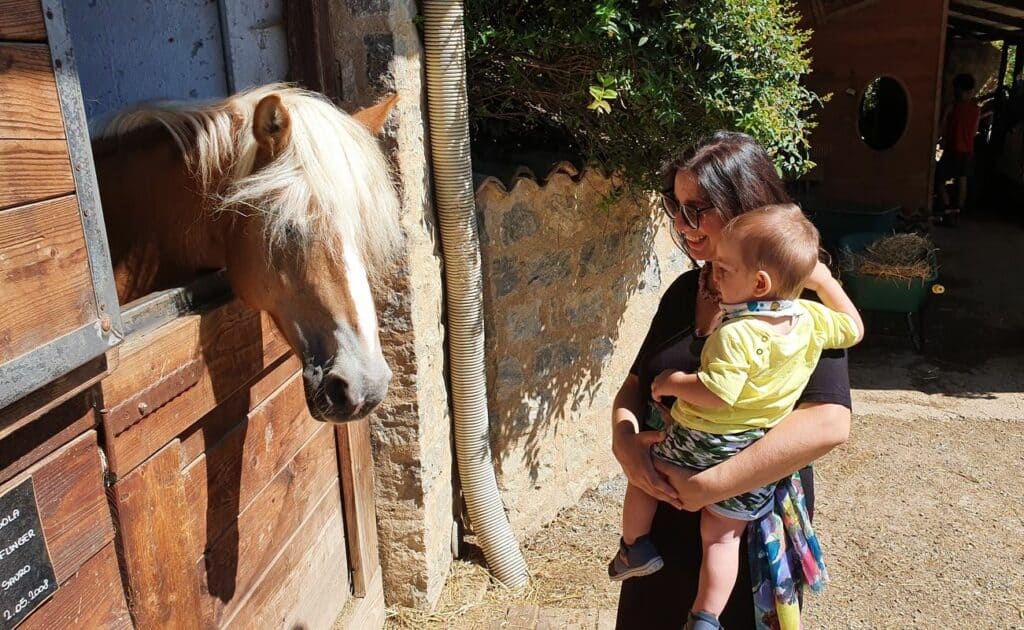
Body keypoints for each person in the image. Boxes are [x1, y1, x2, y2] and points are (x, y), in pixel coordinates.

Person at [612, 131, 853, 629]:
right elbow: (636, 383)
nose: (681, 225)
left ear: (746, 208)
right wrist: (626, 445)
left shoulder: (797, 303)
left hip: (743, 523)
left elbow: (829, 423)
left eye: (696, 209)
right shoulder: (687, 287)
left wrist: (710, 485)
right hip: (660, 530)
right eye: (675, 207)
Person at [937, 73, 982, 223]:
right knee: (962, 179)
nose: (955, 93)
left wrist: (940, 139)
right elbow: (975, 131)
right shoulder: (977, 109)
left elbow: (941, 127)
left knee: (939, 178)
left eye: (957, 90)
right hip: (968, 150)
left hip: (952, 149)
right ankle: (959, 209)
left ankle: (947, 206)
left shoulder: (952, 106)